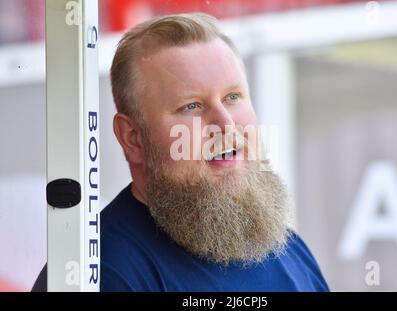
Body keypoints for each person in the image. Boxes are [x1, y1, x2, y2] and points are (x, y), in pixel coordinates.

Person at [32, 12, 329, 292]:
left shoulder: (284, 246)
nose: (225, 124)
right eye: (192, 106)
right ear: (133, 138)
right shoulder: (102, 273)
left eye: (233, 97)